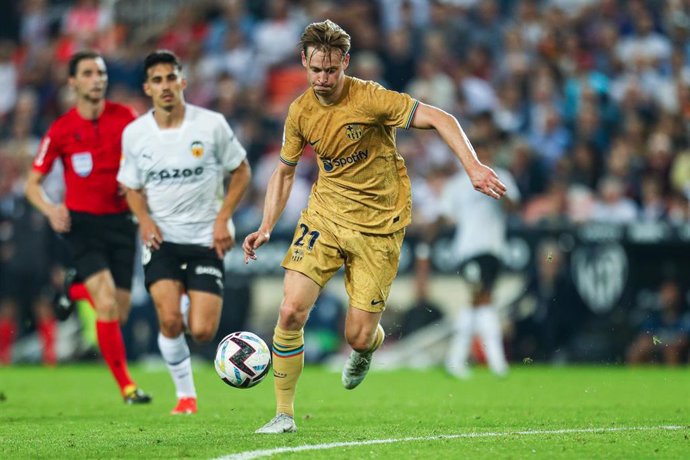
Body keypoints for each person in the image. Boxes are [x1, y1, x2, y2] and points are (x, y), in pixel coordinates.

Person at [242, 20, 506, 434]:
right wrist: (265, 225)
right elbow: (285, 172)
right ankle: (283, 414)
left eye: (331, 69)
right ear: (304, 63)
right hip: (324, 217)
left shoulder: (372, 98)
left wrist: (472, 167)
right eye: (316, 70)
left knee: (358, 336)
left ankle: (367, 349)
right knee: (291, 310)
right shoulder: (300, 111)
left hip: (379, 227)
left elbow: (441, 117)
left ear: (345, 62)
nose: (324, 79)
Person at [117, 50, 251, 415]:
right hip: (162, 242)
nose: (165, 86)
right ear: (147, 87)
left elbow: (241, 171)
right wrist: (144, 220)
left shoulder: (211, 125)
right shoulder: (135, 134)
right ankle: (186, 396)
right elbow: (130, 186)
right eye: (157, 80)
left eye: (171, 78)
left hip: (207, 240)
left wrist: (224, 217)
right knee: (170, 321)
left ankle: (190, 297)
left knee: (203, 331)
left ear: (183, 81)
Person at [24, 50, 151, 403]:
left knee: (119, 311)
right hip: (83, 226)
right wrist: (51, 210)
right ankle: (127, 386)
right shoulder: (62, 129)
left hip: (122, 224)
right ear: (73, 81)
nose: (97, 78)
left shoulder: (126, 117)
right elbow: (32, 185)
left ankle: (73, 289)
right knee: (107, 303)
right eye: (89, 73)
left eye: (101, 73)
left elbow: (147, 160)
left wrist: (136, 184)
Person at [440, 139, 520, 379]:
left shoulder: (501, 175)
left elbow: (513, 206)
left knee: (479, 300)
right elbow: (447, 215)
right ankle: (495, 362)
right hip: (469, 249)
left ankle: (456, 359)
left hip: (494, 248)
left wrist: (498, 191)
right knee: (481, 298)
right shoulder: (457, 183)